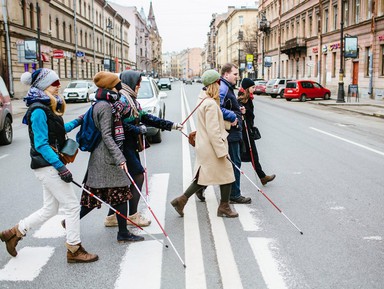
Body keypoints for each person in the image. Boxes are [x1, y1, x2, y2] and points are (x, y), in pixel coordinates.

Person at [0, 68, 98, 263]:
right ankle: (74, 249)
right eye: (54, 83)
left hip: (48, 165)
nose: (59, 85)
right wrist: (61, 167)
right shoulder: (37, 110)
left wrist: (80, 120)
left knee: (50, 209)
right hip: (47, 166)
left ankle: (14, 233)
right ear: (44, 86)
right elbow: (41, 144)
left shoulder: (47, 106)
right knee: (71, 206)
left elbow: (58, 132)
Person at [103, 70, 183, 227]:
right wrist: (138, 130)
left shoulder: (131, 100)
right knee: (138, 175)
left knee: (126, 180)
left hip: (130, 144)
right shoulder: (123, 100)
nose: (139, 85)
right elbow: (116, 124)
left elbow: (146, 117)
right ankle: (133, 215)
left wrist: (171, 125)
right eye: (138, 82)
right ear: (131, 82)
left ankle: (112, 216)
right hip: (123, 145)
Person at [78, 71, 144, 243]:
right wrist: (120, 157)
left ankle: (122, 232)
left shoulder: (101, 103)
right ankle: (122, 233)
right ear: (112, 86)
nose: (120, 86)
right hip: (107, 158)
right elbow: (107, 135)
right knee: (117, 192)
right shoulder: (105, 107)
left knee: (106, 194)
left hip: (102, 157)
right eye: (117, 83)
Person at [170, 69, 238, 218]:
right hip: (211, 147)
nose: (220, 86)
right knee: (227, 175)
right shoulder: (211, 104)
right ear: (215, 84)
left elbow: (211, 124)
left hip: (204, 144)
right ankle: (224, 207)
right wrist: (222, 151)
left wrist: (227, 124)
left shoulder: (203, 99)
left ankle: (181, 200)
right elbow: (213, 131)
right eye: (219, 84)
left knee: (203, 177)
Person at [219, 63, 252, 204]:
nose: (237, 77)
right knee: (234, 163)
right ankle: (235, 194)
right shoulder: (224, 88)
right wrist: (233, 116)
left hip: (232, 131)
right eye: (235, 74)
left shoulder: (227, 87)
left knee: (227, 163)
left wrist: (239, 108)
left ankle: (200, 188)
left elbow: (227, 105)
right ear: (226, 74)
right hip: (231, 132)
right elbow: (216, 107)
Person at [237, 78, 276, 185]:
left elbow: (250, 116)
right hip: (243, 133)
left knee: (252, 155)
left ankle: (262, 177)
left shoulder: (248, 99)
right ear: (247, 88)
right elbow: (242, 115)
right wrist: (244, 113)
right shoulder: (240, 100)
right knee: (238, 157)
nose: (254, 89)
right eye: (252, 87)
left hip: (248, 130)